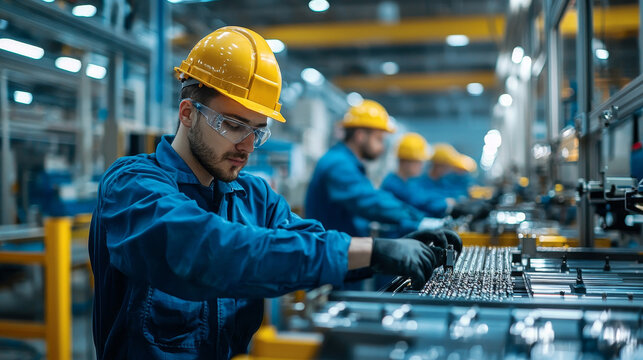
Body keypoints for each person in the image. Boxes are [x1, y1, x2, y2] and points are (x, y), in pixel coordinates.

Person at [89, 26, 459, 359]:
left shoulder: (254, 197)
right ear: (187, 113)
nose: (248, 146)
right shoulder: (131, 185)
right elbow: (204, 249)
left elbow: (307, 241)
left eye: (258, 131)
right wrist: (372, 249)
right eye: (233, 125)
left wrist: (382, 255)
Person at [305, 101, 445, 239]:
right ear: (360, 135)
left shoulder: (344, 161)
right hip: (331, 255)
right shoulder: (339, 164)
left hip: (339, 247)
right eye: (379, 139)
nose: (382, 147)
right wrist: (419, 220)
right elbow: (370, 202)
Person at [381, 133, 451, 218]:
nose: (421, 166)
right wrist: (445, 204)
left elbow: (425, 195)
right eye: (418, 161)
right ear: (405, 161)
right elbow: (418, 201)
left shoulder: (408, 182)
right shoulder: (393, 184)